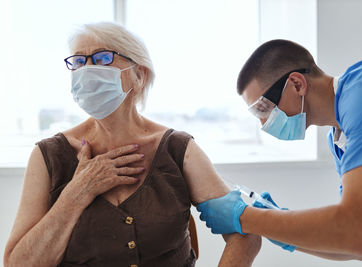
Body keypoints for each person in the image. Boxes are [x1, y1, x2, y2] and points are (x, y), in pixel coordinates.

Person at [3, 22, 261, 267]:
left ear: (139, 75)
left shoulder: (177, 149)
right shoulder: (48, 155)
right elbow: (18, 263)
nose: (87, 69)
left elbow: (246, 232)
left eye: (103, 58)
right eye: (79, 61)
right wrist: (76, 193)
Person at [197, 39, 362, 261]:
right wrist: (281, 231)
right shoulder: (340, 141)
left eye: (263, 109)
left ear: (297, 84)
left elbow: (361, 233)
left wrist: (245, 217)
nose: (264, 124)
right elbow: (353, 248)